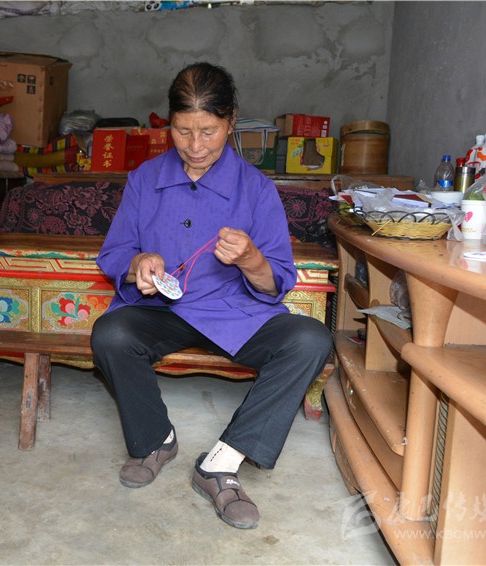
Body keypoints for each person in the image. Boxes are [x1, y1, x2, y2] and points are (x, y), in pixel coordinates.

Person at [90, 62, 333, 530]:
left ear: (231, 122)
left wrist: (251, 259)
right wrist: (139, 264)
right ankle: (155, 440)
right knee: (110, 333)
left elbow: (277, 281)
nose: (195, 146)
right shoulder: (144, 179)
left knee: (311, 340)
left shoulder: (256, 189)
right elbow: (115, 252)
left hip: (235, 313)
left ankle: (221, 464)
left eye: (208, 132)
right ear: (169, 124)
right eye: (183, 131)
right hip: (161, 310)